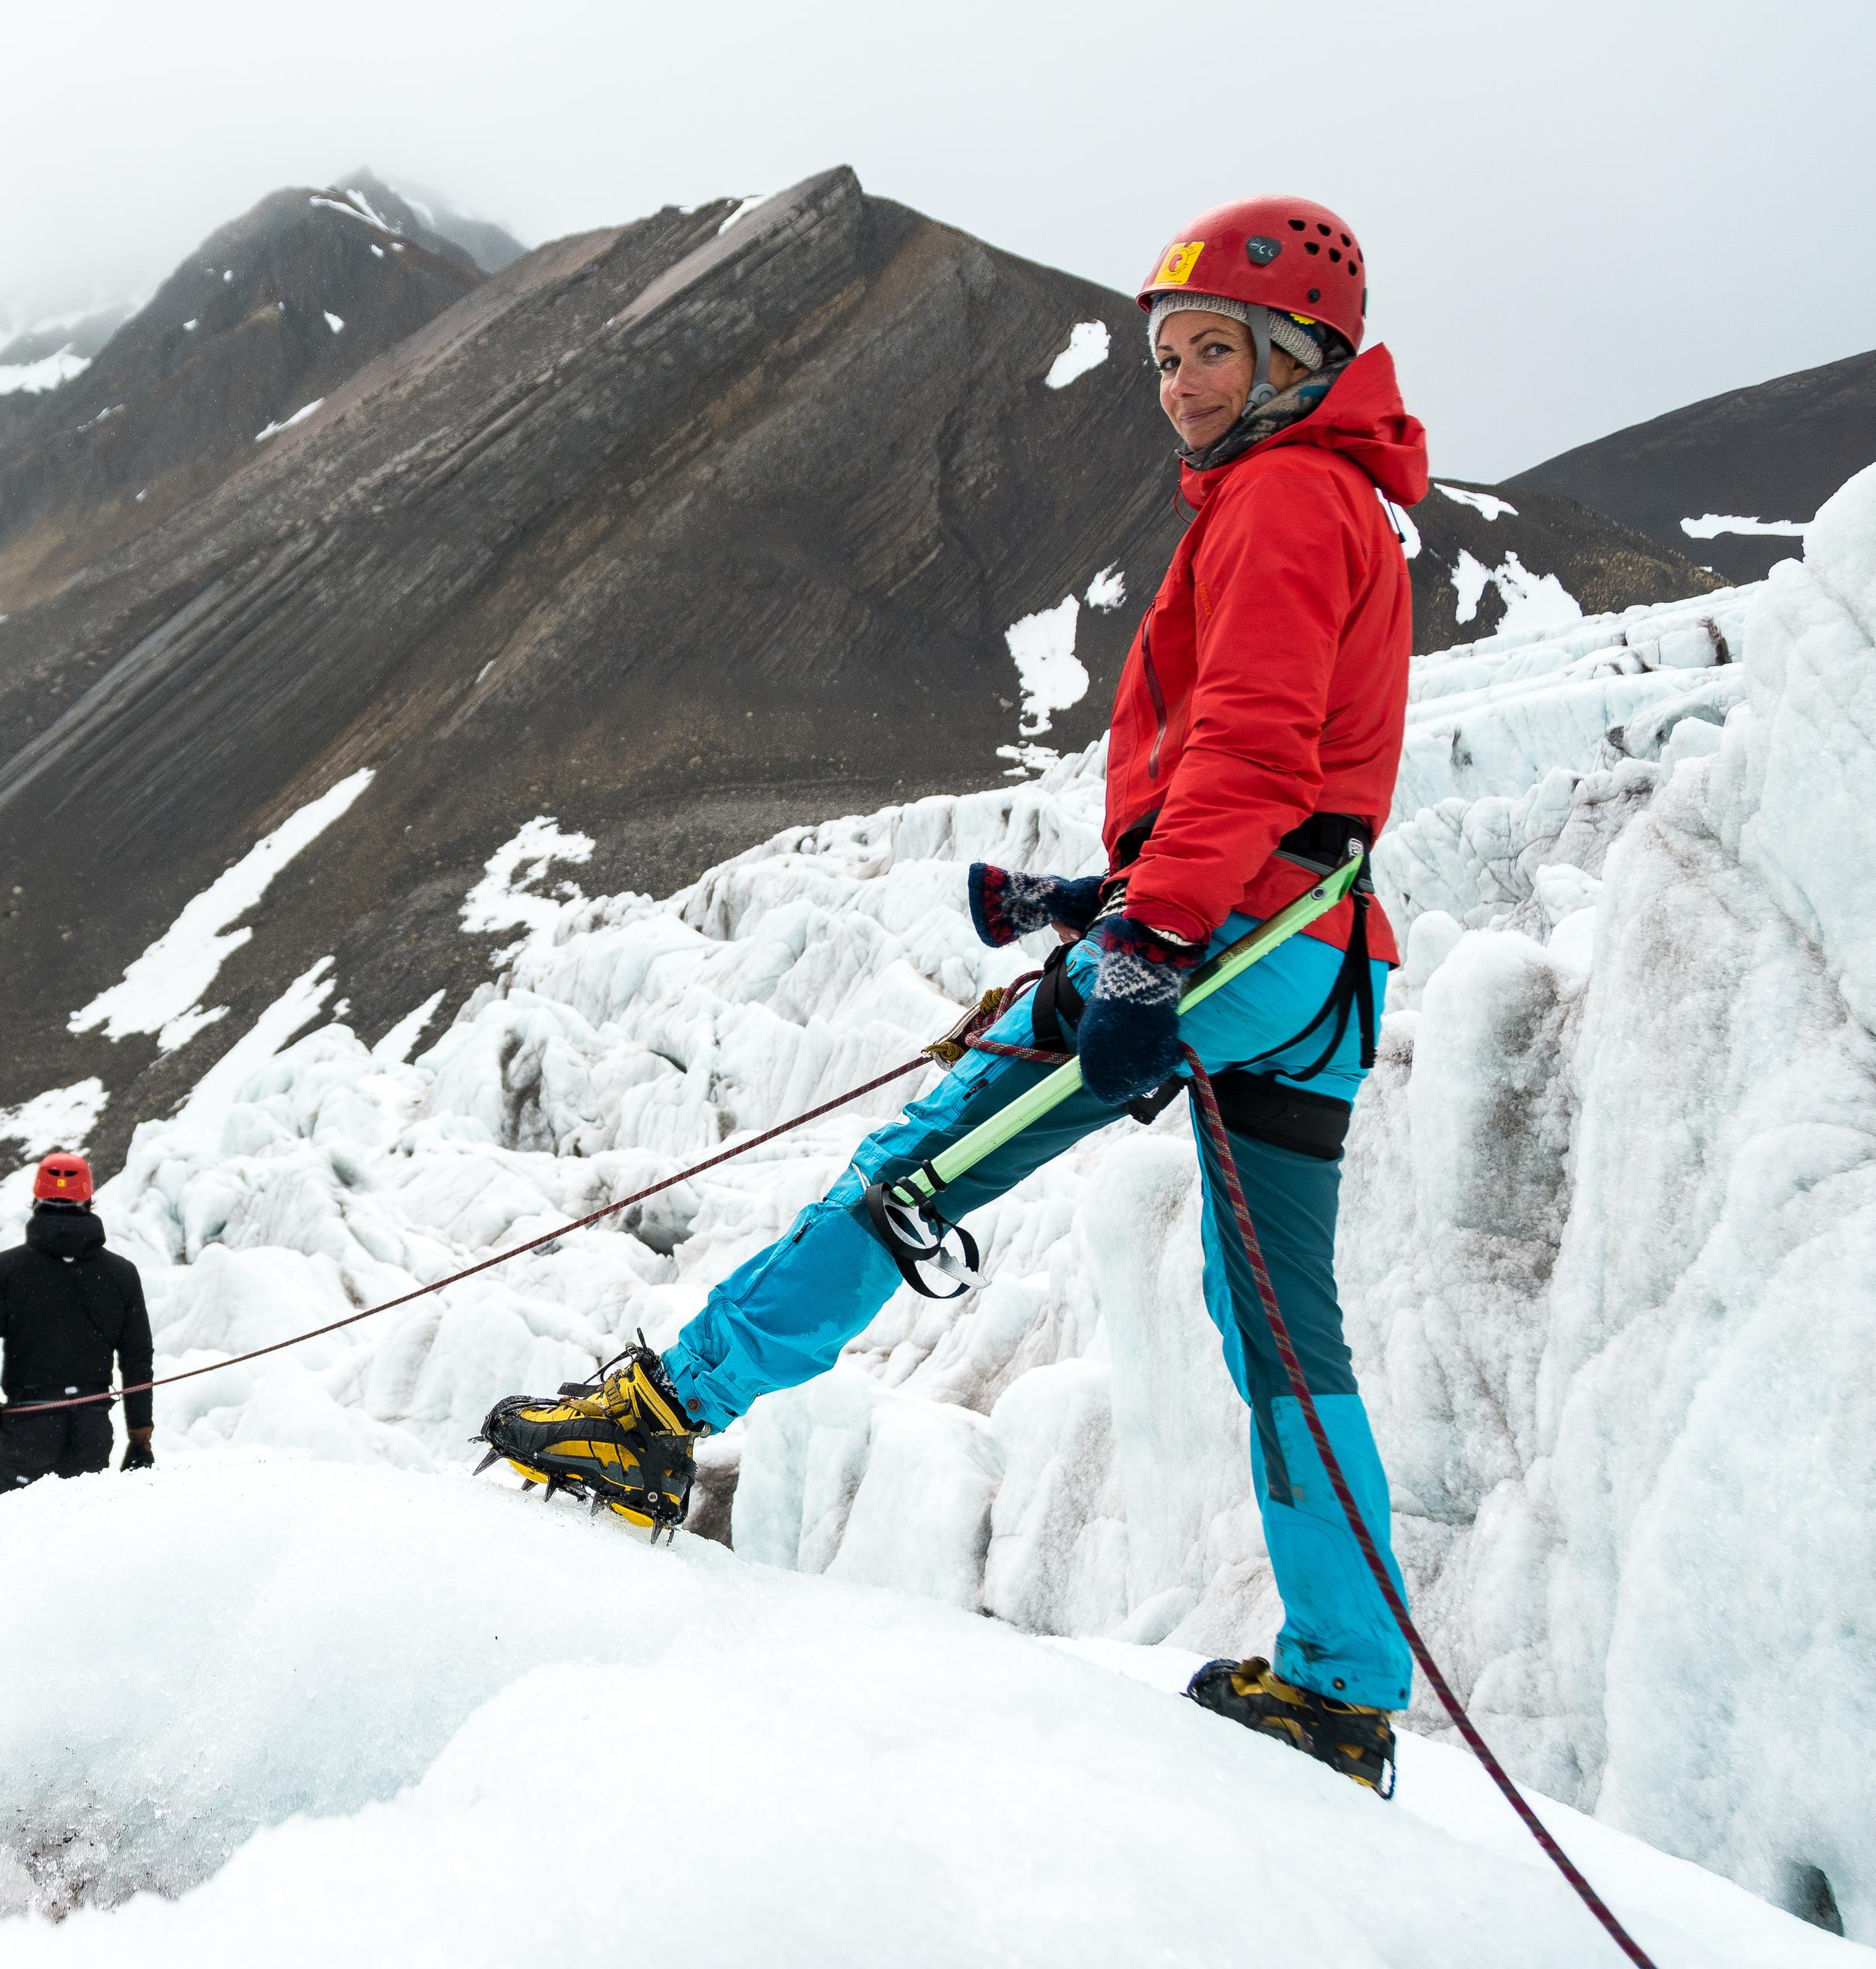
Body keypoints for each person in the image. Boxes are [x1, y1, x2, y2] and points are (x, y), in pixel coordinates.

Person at [481, 195, 1425, 1794]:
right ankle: (1343, 1680)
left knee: (919, 1165)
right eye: (1166, 357)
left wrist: (1138, 943)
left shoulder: (1277, 498)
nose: (1179, 383)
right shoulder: (1336, 503)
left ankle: (660, 1410)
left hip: (1229, 957)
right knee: (1283, 1332)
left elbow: (1252, 746)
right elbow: (1300, 777)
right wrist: (1101, 896)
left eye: (1208, 352)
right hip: (1320, 966)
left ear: (1294, 353)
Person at [0, 1152, 155, 1494]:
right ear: (89, 1200)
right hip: (92, 1427)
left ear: (36, 1199)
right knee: (78, 1535)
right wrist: (140, 1434)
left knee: (1, 1535)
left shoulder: (5, 1268)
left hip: (28, 1424)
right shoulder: (121, 1273)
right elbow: (137, 1357)